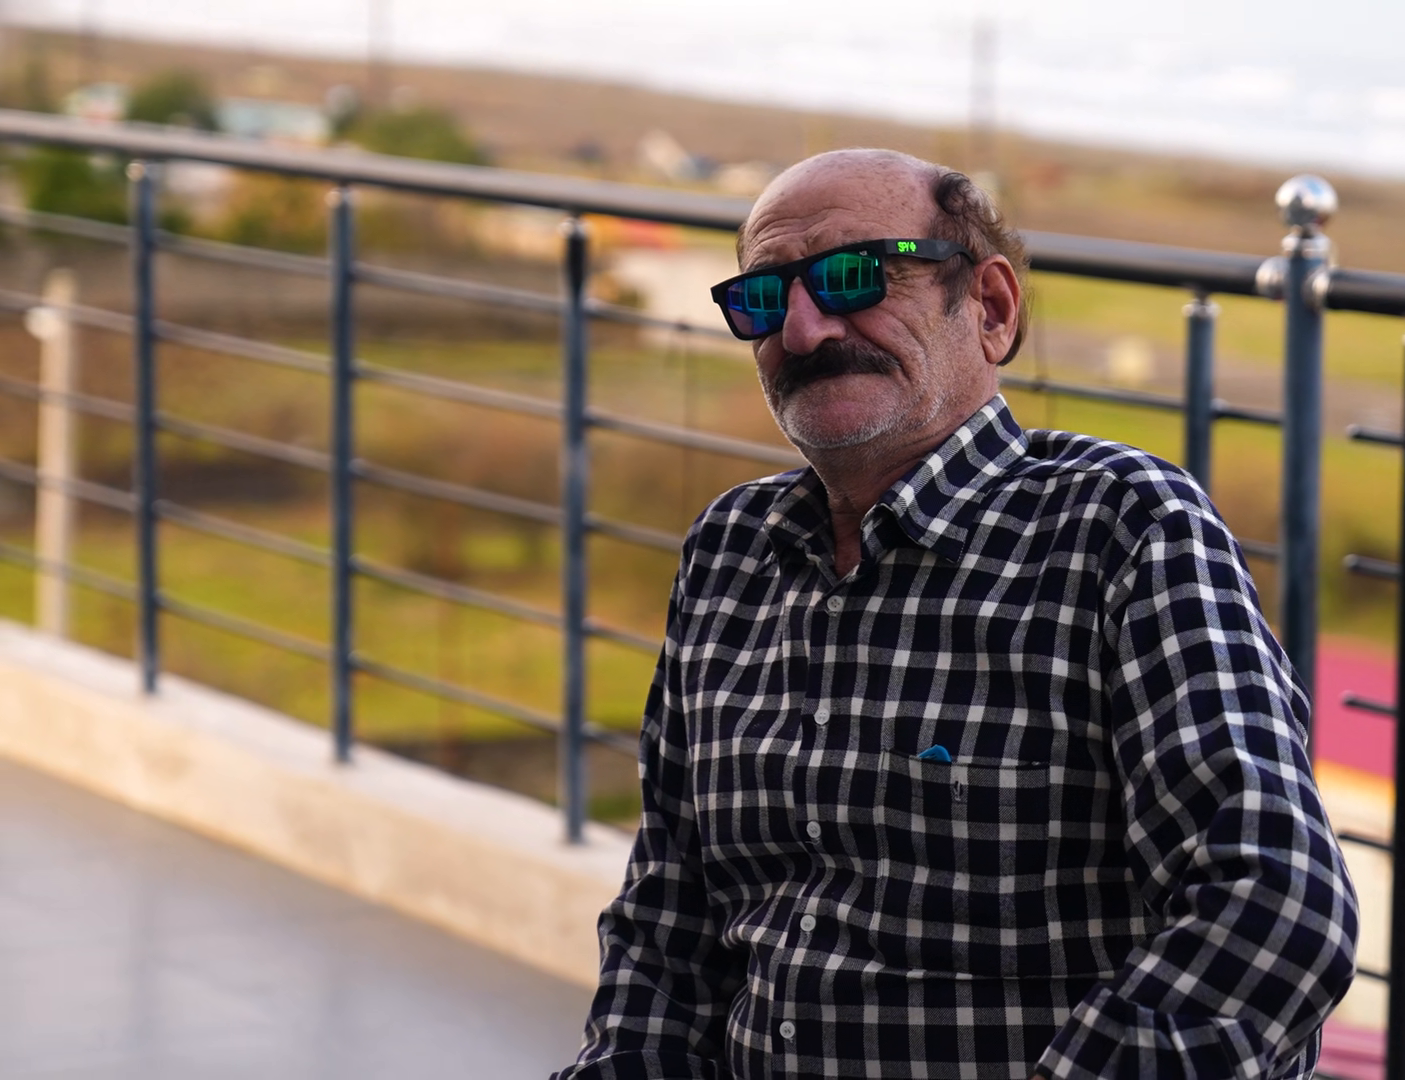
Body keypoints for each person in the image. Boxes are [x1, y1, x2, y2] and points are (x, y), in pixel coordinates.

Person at [554, 149, 1357, 1080]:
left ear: (991, 307)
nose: (805, 330)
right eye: (766, 299)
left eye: (855, 277)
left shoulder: (1122, 528)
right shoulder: (731, 552)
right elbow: (667, 925)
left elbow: (1274, 905)